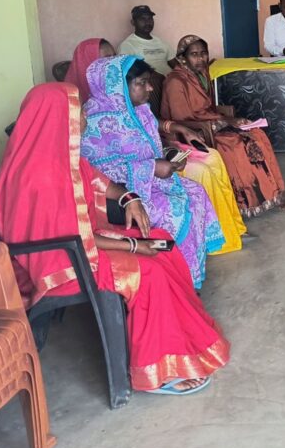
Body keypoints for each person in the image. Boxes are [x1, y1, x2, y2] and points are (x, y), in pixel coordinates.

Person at [0, 83, 230, 395]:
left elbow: (99, 182)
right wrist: (133, 246)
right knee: (149, 271)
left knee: (163, 243)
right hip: (60, 262)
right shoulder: (40, 176)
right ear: (59, 119)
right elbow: (73, 238)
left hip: (81, 244)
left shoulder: (57, 153)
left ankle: (183, 338)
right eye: (78, 114)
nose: (84, 119)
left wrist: (129, 198)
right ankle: (157, 371)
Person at [82, 55, 225, 289]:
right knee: (174, 209)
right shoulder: (93, 121)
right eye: (142, 83)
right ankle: (175, 279)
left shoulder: (138, 110)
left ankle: (189, 272)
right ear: (118, 86)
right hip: (116, 198)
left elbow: (148, 146)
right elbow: (95, 175)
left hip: (148, 183)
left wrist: (167, 159)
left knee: (196, 192)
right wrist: (152, 168)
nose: (150, 88)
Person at [163, 35, 285, 217]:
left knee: (257, 134)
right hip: (196, 131)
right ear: (183, 58)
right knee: (236, 143)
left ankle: (273, 195)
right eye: (194, 54)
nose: (200, 59)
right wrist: (224, 122)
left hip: (212, 122)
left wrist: (229, 120)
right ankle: (245, 203)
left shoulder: (201, 74)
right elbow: (180, 120)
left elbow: (207, 108)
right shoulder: (176, 81)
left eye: (203, 53)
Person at [118, 5, 175, 75]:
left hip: (172, 79)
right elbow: (127, 71)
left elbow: (175, 65)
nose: (147, 22)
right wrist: (153, 75)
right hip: (150, 80)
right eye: (142, 19)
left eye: (150, 18)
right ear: (133, 22)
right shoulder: (127, 45)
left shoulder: (161, 42)